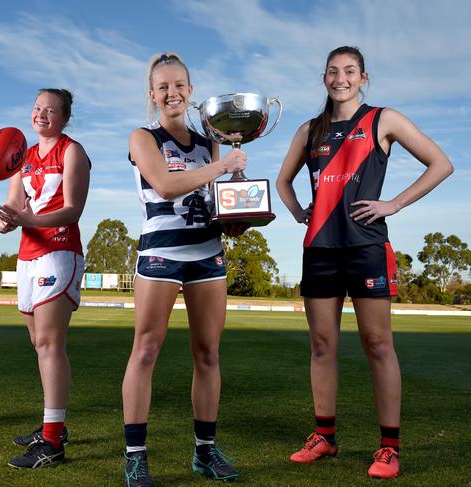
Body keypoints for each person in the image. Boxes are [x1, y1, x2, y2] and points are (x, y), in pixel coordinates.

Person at [276, 46, 453, 479]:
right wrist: (301, 211)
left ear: (363, 77)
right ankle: (324, 437)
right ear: (324, 78)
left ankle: (389, 448)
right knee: (322, 346)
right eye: (333, 72)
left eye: (350, 71)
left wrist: (393, 203)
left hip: (366, 247)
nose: (341, 79)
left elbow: (440, 163)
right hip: (319, 249)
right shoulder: (309, 130)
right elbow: (283, 180)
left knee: (378, 344)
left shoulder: (383, 120)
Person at [121, 52, 247, 486]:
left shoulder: (210, 142)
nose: (172, 93)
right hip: (161, 254)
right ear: (152, 95)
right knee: (146, 350)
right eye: (163, 87)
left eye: (179, 85)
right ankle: (135, 456)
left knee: (208, 354)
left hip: (207, 254)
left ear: (191, 92)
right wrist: (223, 165)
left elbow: (212, 202)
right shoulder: (143, 137)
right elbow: (165, 184)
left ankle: (205, 452)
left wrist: (237, 218)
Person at [0, 88, 91, 469]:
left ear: (65, 118)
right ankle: (55, 425)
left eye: (51, 110)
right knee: (39, 343)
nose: (41, 114)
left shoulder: (72, 151)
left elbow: (72, 210)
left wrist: (27, 219)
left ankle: (51, 442)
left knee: (50, 343)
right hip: (28, 256)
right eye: (37, 108)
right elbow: (16, 207)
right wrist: (6, 221)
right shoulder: (23, 158)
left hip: (60, 252)